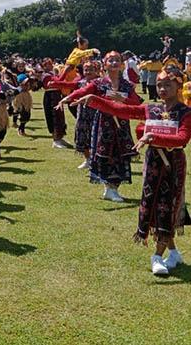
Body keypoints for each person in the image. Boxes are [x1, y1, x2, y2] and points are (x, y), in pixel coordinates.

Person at [76, 66, 191, 275]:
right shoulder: (152, 109)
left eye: (167, 85)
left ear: (178, 86)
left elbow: (182, 138)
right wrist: (95, 99)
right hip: (154, 162)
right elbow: (122, 110)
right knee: (152, 202)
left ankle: (156, 256)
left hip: (173, 164)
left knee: (167, 205)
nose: (163, 89)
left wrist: (152, 137)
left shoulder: (186, 113)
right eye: (159, 85)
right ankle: (173, 253)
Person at [59, 51, 141, 202]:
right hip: (104, 122)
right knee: (106, 153)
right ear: (105, 64)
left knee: (120, 154)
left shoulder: (127, 85)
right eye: (111, 60)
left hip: (122, 123)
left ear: (121, 64)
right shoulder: (99, 83)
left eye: (117, 60)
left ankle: (113, 188)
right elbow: (83, 91)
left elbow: (136, 103)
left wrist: (122, 99)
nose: (114, 63)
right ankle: (109, 188)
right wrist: (67, 98)